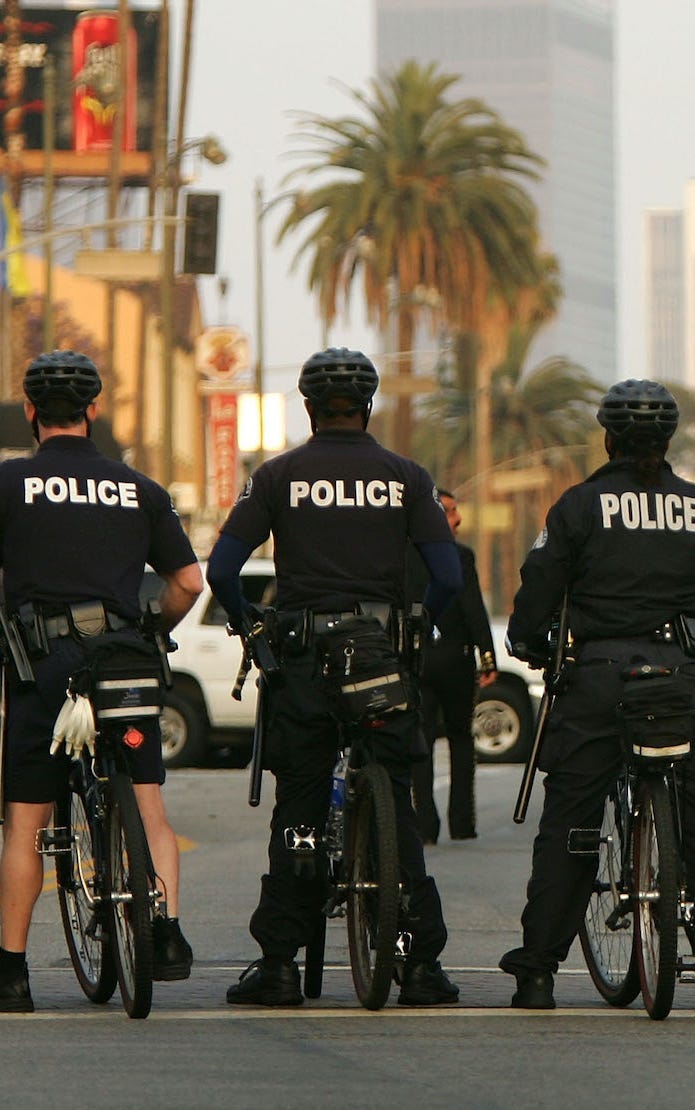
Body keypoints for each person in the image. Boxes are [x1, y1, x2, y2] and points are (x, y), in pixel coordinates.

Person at [207, 347, 463, 1008]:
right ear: (368, 405)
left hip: (303, 660)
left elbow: (222, 571)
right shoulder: (405, 476)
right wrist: (416, 629)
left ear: (310, 406)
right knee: (397, 799)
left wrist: (248, 623)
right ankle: (419, 964)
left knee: (298, 803)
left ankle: (281, 965)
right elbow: (448, 577)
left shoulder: (279, 475)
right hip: (379, 655)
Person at [500, 380, 695, 1013]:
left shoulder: (579, 507)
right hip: (684, 678)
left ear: (607, 439)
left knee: (573, 822)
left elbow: (538, 588)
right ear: (668, 441)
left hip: (598, 676)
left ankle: (536, 974)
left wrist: (530, 640)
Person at [0, 351, 205, 1013]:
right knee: (148, 802)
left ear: (31, 411)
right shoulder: (137, 488)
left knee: (27, 823)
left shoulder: (11, 484)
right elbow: (188, 582)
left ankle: (11, 974)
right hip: (123, 661)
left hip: (42, 665)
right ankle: (166, 930)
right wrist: (151, 626)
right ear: (93, 411)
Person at [409, 489, 497, 845]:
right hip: (455, 660)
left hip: (416, 659)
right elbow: (473, 608)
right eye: (449, 512)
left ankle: (424, 826)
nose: (458, 519)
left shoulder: (402, 556)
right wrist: (486, 656)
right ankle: (462, 823)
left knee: (422, 742)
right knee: (460, 740)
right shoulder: (459, 557)